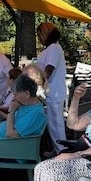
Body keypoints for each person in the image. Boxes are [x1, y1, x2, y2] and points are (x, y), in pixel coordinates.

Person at [35, 22, 67, 154]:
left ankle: (62, 152)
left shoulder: (53, 48)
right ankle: (56, 150)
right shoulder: (51, 48)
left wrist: (39, 82)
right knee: (52, 124)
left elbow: (49, 69)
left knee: (56, 125)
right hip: (51, 92)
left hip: (54, 92)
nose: (38, 39)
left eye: (39, 35)